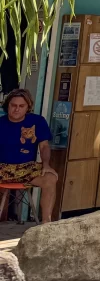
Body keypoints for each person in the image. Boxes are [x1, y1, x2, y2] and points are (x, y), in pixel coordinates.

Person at [0, 89, 57, 223]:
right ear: (7, 105)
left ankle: (46, 224)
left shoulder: (37, 121)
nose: (16, 109)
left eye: (21, 106)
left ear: (28, 107)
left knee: (50, 178)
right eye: (13, 105)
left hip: (26, 168)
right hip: (2, 168)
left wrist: (46, 164)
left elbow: (44, 146)